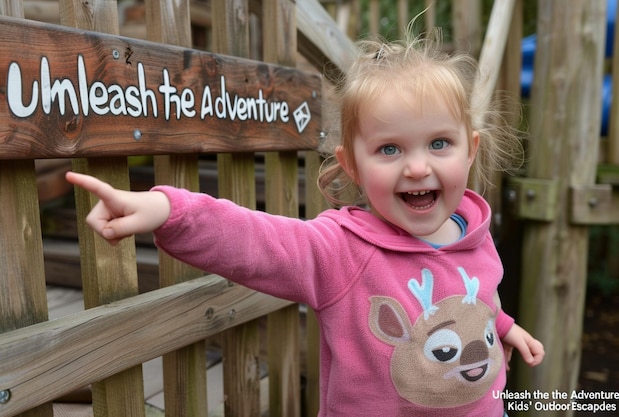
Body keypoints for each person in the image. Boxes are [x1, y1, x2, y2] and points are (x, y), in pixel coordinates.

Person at [66, 29, 544, 417]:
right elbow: (256, 240)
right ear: (352, 166)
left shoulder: (474, 233)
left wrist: (503, 327)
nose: (417, 167)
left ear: (471, 150)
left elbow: (474, 298)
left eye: (439, 143)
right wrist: (169, 211)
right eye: (390, 149)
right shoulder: (339, 250)